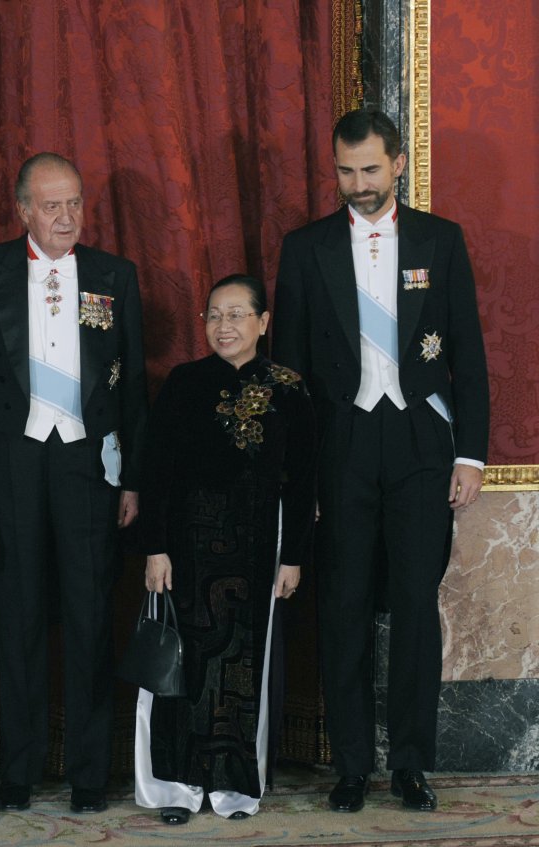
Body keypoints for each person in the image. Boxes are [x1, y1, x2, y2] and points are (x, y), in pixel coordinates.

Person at [273, 108, 489, 813]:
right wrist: (297, 475)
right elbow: (289, 372)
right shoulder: (305, 248)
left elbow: (469, 355)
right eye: (344, 170)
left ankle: (412, 764)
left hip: (422, 445)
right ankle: (352, 764)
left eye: (370, 169)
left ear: (399, 163)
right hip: (342, 443)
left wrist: (471, 454)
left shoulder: (441, 239)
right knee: (341, 607)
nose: (357, 184)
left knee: (414, 608)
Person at [0, 152, 148, 813]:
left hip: (88, 465)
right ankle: (19, 769)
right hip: (12, 462)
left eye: (75, 204)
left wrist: (132, 480)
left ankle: (90, 773)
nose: (66, 217)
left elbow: (135, 387)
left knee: (91, 616)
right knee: (19, 617)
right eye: (52, 206)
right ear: (23, 210)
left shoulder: (115, 275)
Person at [134, 274, 315, 824]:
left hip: (258, 547)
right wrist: (155, 548)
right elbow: (155, 472)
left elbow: (305, 481)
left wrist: (294, 557)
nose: (224, 326)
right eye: (214, 315)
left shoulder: (289, 388)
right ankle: (177, 789)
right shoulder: (183, 383)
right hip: (185, 550)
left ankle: (235, 788)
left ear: (263, 323)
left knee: (241, 666)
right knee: (182, 665)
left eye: (237, 314)